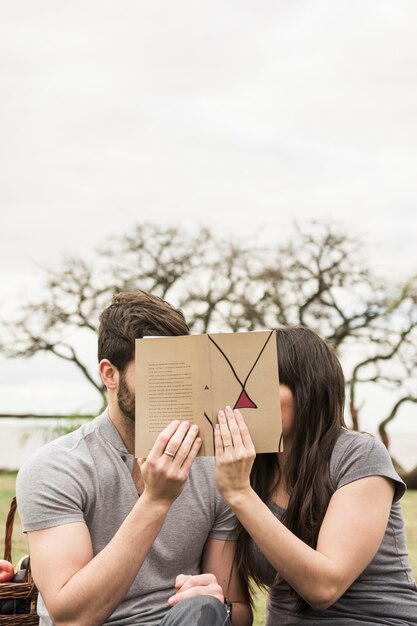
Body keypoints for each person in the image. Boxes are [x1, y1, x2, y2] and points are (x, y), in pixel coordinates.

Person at [16, 291, 252, 626]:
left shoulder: (212, 469)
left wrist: (219, 602)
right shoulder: (55, 468)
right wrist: (156, 500)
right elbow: (71, 617)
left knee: (207, 609)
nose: (173, 386)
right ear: (109, 374)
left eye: (181, 371)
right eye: (158, 373)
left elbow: (241, 613)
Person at [214, 326, 417, 625]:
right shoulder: (247, 468)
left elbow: (324, 587)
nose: (248, 395)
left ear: (308, 389)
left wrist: (240, 494)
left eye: (266, 382)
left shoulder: (358, 454)